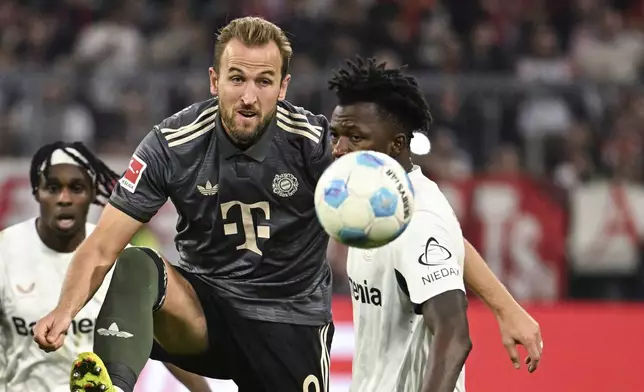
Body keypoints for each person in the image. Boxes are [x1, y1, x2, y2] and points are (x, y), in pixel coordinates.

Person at [33, 16, 541, 392]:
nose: (248, 96)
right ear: (215, 81)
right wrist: (63, 309)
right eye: (236, 79)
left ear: (283, 87)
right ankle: (111, 386)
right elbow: (100, 247)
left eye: (263, 81)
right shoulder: (172, 143)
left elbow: (428, 228)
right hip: (206, 313)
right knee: (136, 263)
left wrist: (506, 306)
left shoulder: (319, 144)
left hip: (289, 324)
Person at [324, 57, 544, 391]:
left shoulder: (418, 220)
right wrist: (505, 306)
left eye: (355, 137)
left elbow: (454, 336)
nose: (339, 149)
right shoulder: (375, 202)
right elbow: (449, 246)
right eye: (336, 135)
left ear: (396, 144)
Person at [0, 142, 210, 392]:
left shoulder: (127, 263)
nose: (64, 199)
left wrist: (202, 390)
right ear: (36, 193)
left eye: (76, 188)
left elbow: (162, 339)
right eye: (53, 188)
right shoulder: (5, 252)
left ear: (92, 193)